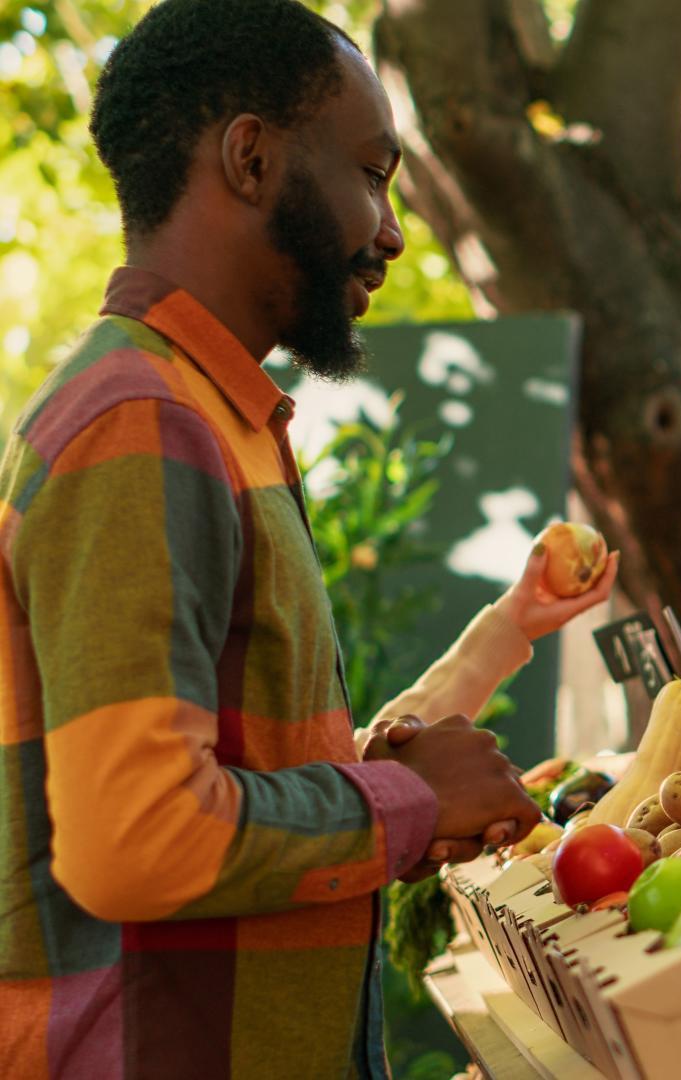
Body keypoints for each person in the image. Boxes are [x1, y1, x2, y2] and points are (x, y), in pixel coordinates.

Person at [0, 2, 609, 1075]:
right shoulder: (141, 421)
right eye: (372, 173)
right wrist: (414, 801)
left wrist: (503, 637)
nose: (394, 228)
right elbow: (138, 839)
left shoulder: (212, 414)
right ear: (250, 156)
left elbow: (260, 772)